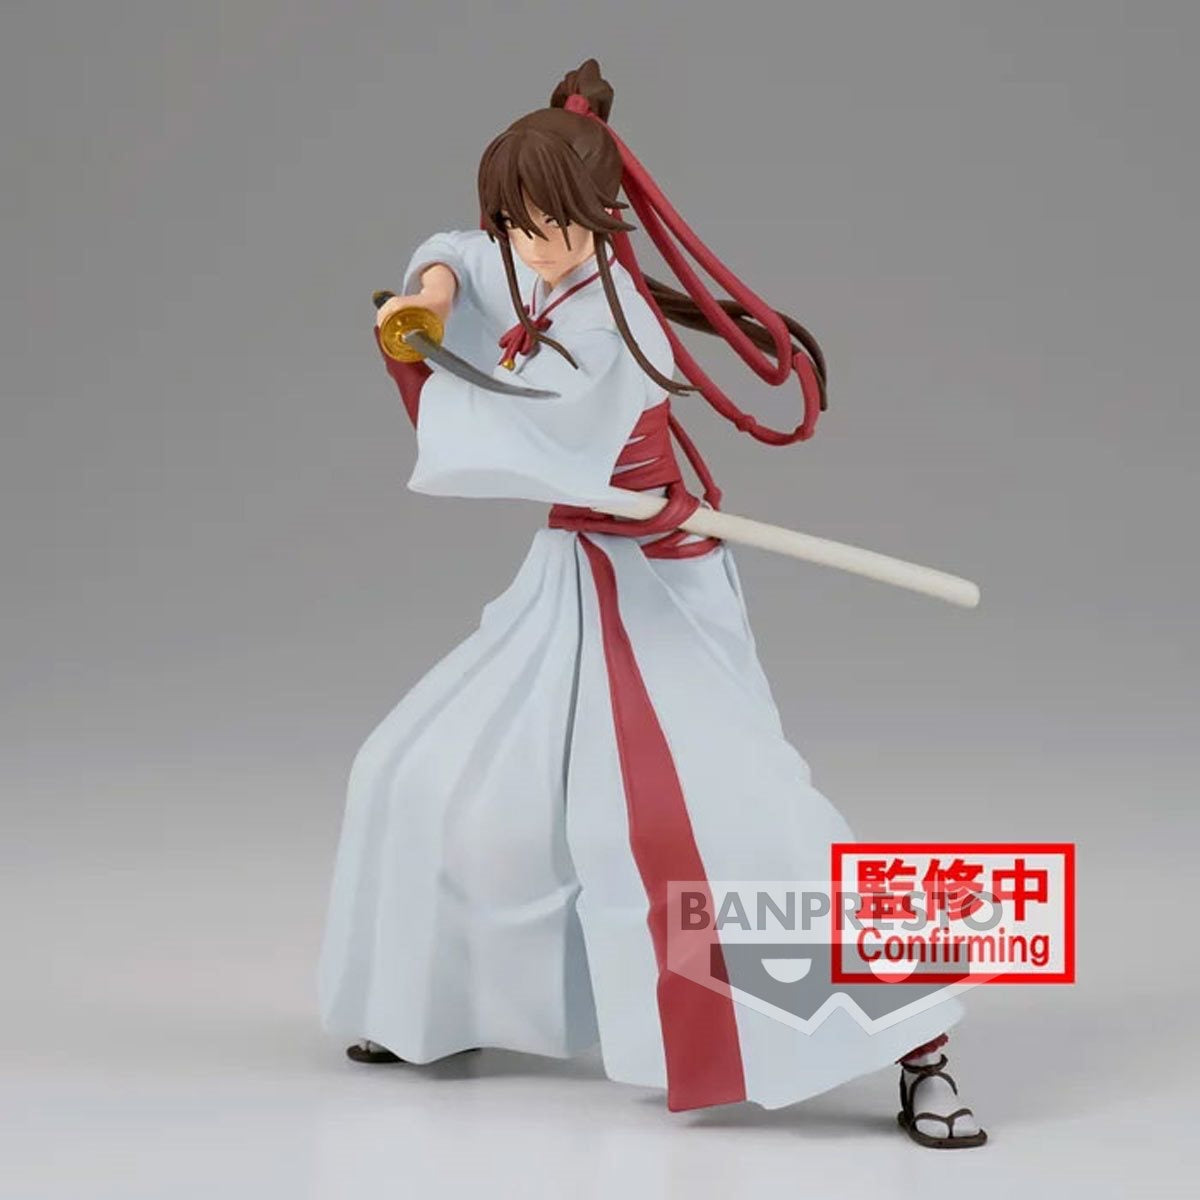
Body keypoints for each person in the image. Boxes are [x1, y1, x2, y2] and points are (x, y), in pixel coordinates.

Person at [318, 58, 986, 1150]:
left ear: (599, 218)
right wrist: (432, 293)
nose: (532, 248)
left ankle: (915, 1042)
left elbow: (511, 430)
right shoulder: (521, 253)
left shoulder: (615, 321)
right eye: (517, 225)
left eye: (554, 227)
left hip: (656, 581)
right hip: (572, 575)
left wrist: (415, 363)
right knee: (429, 769)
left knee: (728, 818)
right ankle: (432, 1006)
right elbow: (458, 253)